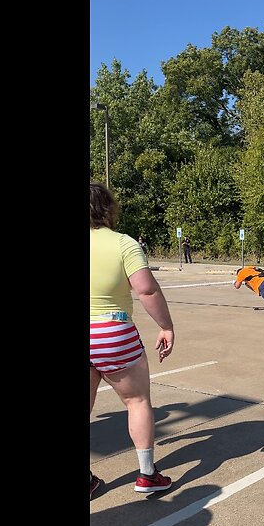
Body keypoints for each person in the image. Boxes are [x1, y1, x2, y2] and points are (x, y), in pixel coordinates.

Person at [90, 183, 175, 500]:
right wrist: (165, 326)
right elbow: (147, 290)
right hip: (113, 333)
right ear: (109, 209)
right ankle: (147, 475)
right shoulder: (124, 244)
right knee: (137, 401)